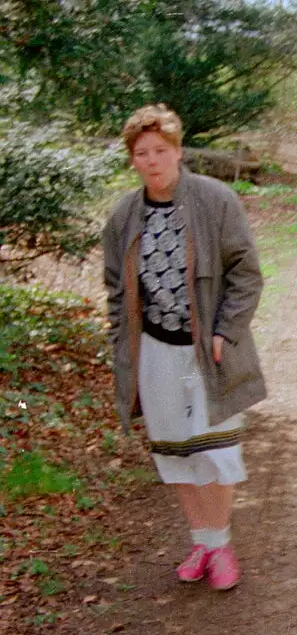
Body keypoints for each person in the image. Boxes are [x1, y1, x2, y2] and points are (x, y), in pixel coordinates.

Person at [102, 104, 266, 590]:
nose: (152, 160)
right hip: (154, 350)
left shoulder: (215, 201)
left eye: (160, 150)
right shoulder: (123, 216)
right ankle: (202, 541)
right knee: (174, 452)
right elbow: (116, 290)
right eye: (141, 153)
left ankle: (221, 547)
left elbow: (246, 272)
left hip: (207, 352)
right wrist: (122, 346)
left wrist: (225, 331)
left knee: (214, 451)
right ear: (133, 159)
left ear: (177, 151)